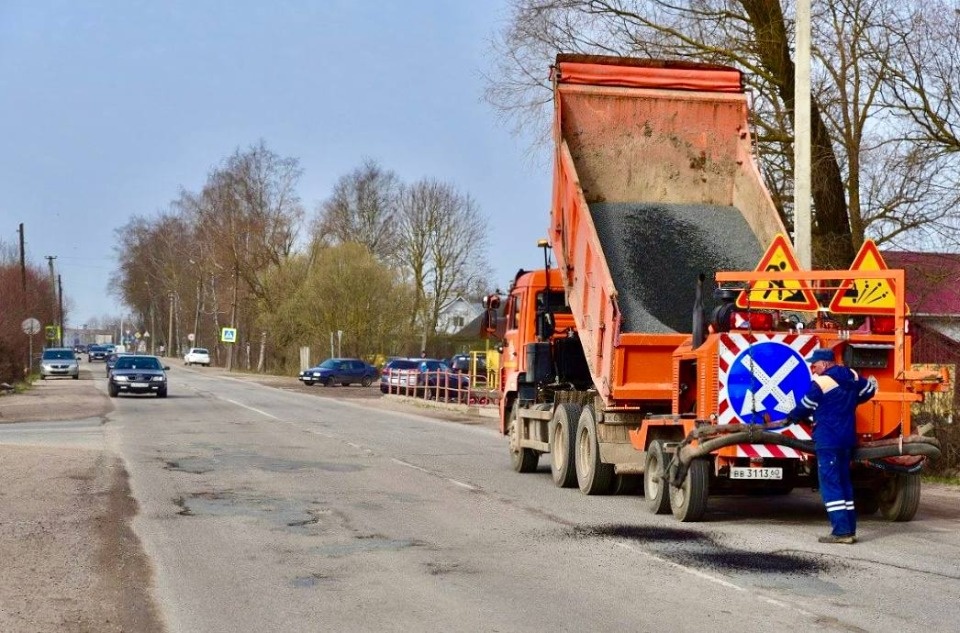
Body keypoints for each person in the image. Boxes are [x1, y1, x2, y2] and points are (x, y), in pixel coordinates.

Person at [786, 348, 877, 544]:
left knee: (831, 485)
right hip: (847, 439)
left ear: (826, 364)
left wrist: (792, 417)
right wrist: (851, 401)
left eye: (815, 364)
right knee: (844, 483)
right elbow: (870, 390)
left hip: (829, 440)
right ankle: (849, 530)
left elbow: (805, 405)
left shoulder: (821, 383)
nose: (813, 368)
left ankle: (841, 532)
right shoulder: (851, 375)